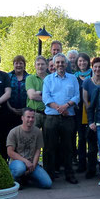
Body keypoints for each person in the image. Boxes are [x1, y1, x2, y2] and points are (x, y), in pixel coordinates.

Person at [42, 53, 80, 184]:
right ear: (53, 64)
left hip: (68, 118)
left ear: (66, 64)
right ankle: (48, 175)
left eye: (62, 62)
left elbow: (77, 96)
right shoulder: (48, 79)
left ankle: (69, 174)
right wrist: (59, 109)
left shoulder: (72, 79)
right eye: (57, 62)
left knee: (68, 147)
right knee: (49, 147)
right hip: (51, 117)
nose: (60, 65)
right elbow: (46, 98)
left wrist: (66, 106)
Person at [7, 108, 52, 189]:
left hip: (31, 163)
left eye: (32, 117)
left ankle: (26, 177)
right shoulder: (14, 132)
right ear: (22, 118)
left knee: (47, 183)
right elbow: (10, 152)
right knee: (20, 168)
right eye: (28, 117)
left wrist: (33, 166)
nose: (31, 119)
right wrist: (26, 161)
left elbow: (38, 150)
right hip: (17, 163)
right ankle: (12, 179)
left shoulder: (37, 132)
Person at [80, 56, 100, 175]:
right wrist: (91, 117)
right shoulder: (87, 81)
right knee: (91, 144)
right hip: (90, 114)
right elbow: (84, 99)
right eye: (95, 67)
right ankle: (91, 168)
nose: (98, 69)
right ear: (92, 68)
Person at [26, 56, 48, 128]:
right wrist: (48, 98)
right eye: (38, 64)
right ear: (35, 66)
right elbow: (32, 96)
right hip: (34, 114)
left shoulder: (51, 78)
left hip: (48, 114)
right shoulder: (30, 78)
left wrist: (39, 93)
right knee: (32, 137)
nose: (40, 66)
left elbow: (55, 96)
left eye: (42, 64)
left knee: (48, 138)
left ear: (46, 66)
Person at [7, 55, 29, 129]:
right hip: (9, 110)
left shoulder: (29, 78)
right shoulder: (8, 76)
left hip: (25, 112)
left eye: (21, 63)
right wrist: (10, 108)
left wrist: (25, 109)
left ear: (24, 65)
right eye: (16, 63)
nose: (18, 65)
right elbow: (4, 94)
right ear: (13, 65)